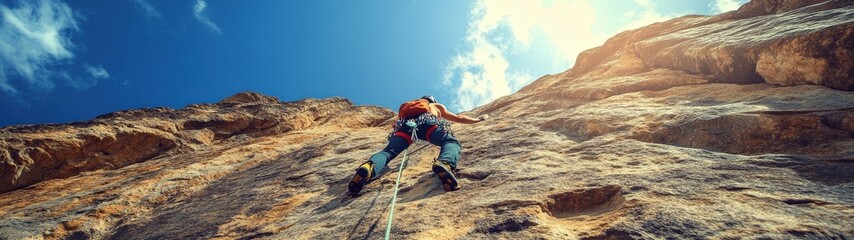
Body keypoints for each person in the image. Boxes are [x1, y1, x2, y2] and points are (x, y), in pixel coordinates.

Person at [348, 95, 487, 195]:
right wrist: (478, 119)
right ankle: (445, 163)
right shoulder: (434, 106)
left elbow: (396, 124)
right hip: (428, 123)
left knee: (388, 151)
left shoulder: (407, 109)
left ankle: (369, 167)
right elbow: (459, 118)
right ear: (431, 101)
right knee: (450, 142)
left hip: (403, 128)